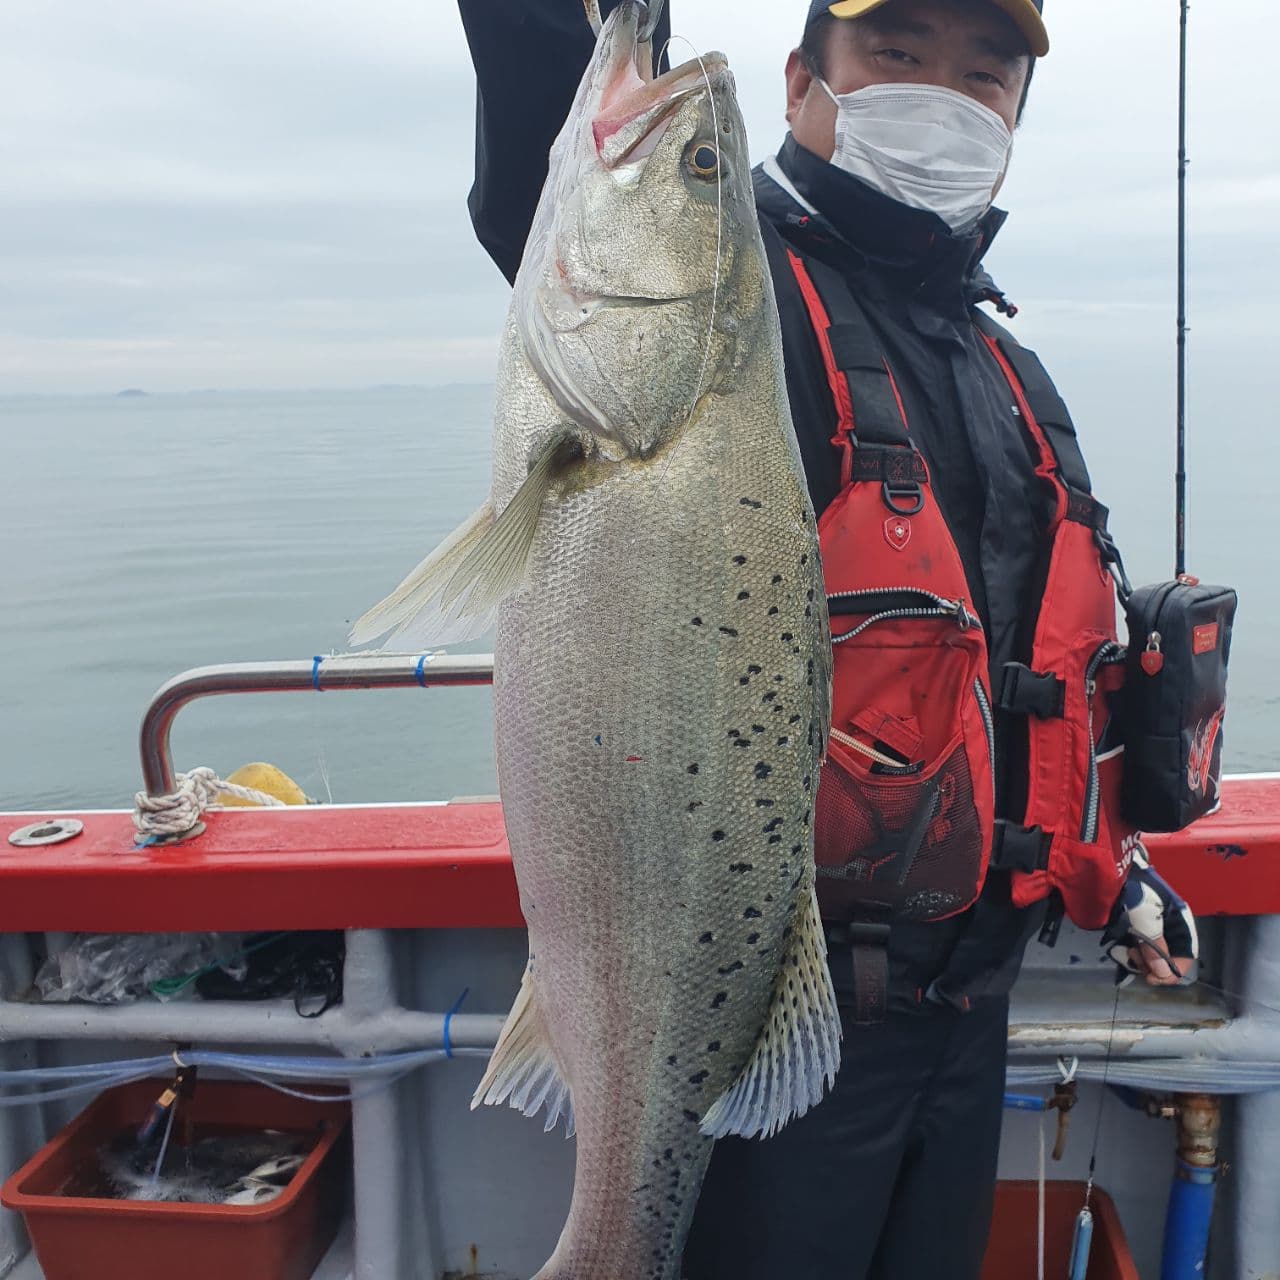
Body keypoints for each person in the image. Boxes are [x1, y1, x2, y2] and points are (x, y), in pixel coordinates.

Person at [456, 1, 1200, 1275]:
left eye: (985, 74)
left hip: (968, 1009)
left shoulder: (1002, 362)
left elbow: (1021, 663)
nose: (945, 96)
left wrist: (1109, 859)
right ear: (804, 81)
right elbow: (554, 158)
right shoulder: (732, 298)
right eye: (897, 55)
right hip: (770, 1003)